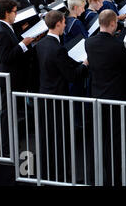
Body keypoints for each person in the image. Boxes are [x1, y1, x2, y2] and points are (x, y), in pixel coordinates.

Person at [35, 10, 88, 182]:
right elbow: (72, 76)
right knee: (59, 139)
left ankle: (47, 172)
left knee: (47, 137)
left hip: (44, 95)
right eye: (64, 22)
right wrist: (85, 64)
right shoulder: (57, 49)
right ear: (58, 23)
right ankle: (61, 175)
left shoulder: (41, 44)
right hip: (58, 99)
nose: (65, 25)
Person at [85, 9, 126, 185]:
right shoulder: (119, 45)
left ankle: (95, 177)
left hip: (96, 97)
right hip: (116, 98)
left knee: (98, 139)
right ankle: (114, 178)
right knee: (115, 142)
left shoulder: (88, 43)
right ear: (113, 23)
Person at [0, 0, 34, 154]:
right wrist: (23, 44)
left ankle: (11, 144)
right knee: (7, 114)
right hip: (9, 79)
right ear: (6, 13)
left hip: (16, 78)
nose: (16, 15)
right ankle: (6, 147)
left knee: (13, 113)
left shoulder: (7, 27)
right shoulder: (1, 31)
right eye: (14, 12)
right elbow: (6, 57)